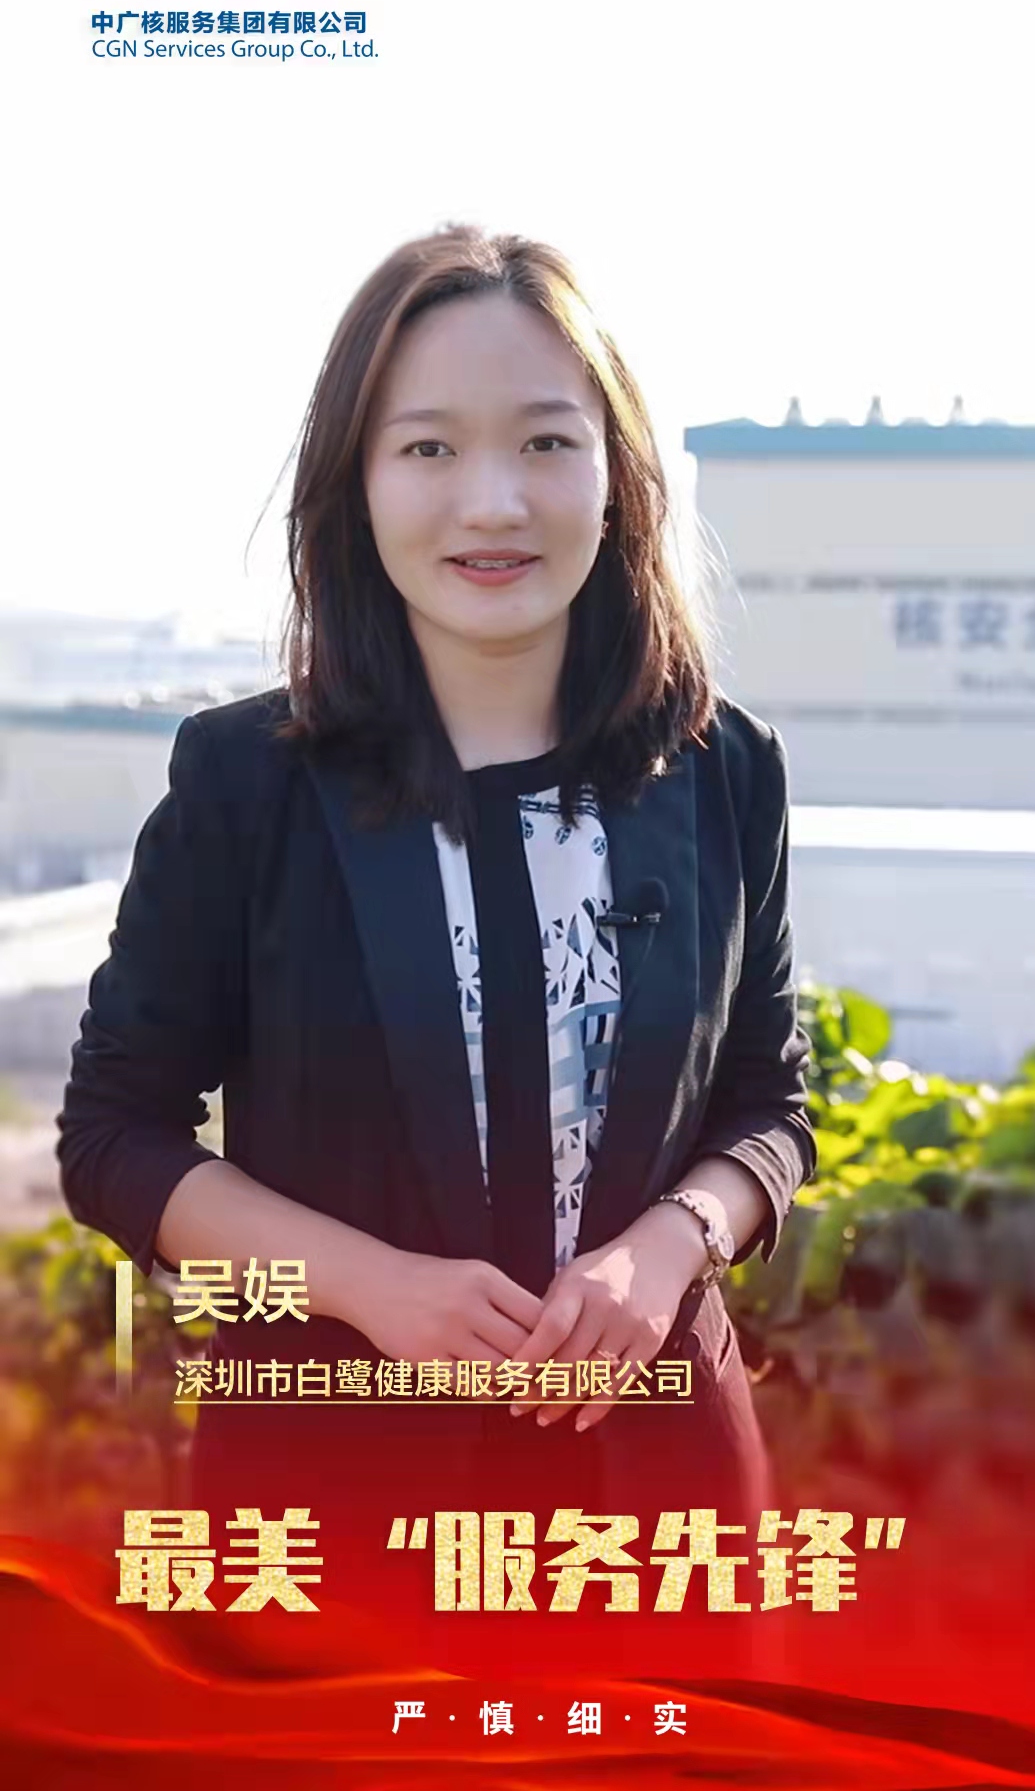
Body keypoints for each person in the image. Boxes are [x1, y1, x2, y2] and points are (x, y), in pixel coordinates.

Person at [56, 225, 815, 1621]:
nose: (494, 501)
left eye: (546, 442)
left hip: (664, 1517)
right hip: (334, 1517)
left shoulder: (722, 769)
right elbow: (114, 1138)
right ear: (355, 484)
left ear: (617, 475)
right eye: (428, 448)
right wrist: (372, 1287)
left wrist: (672, 1244)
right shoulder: (249, 782)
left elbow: (770, 1102)